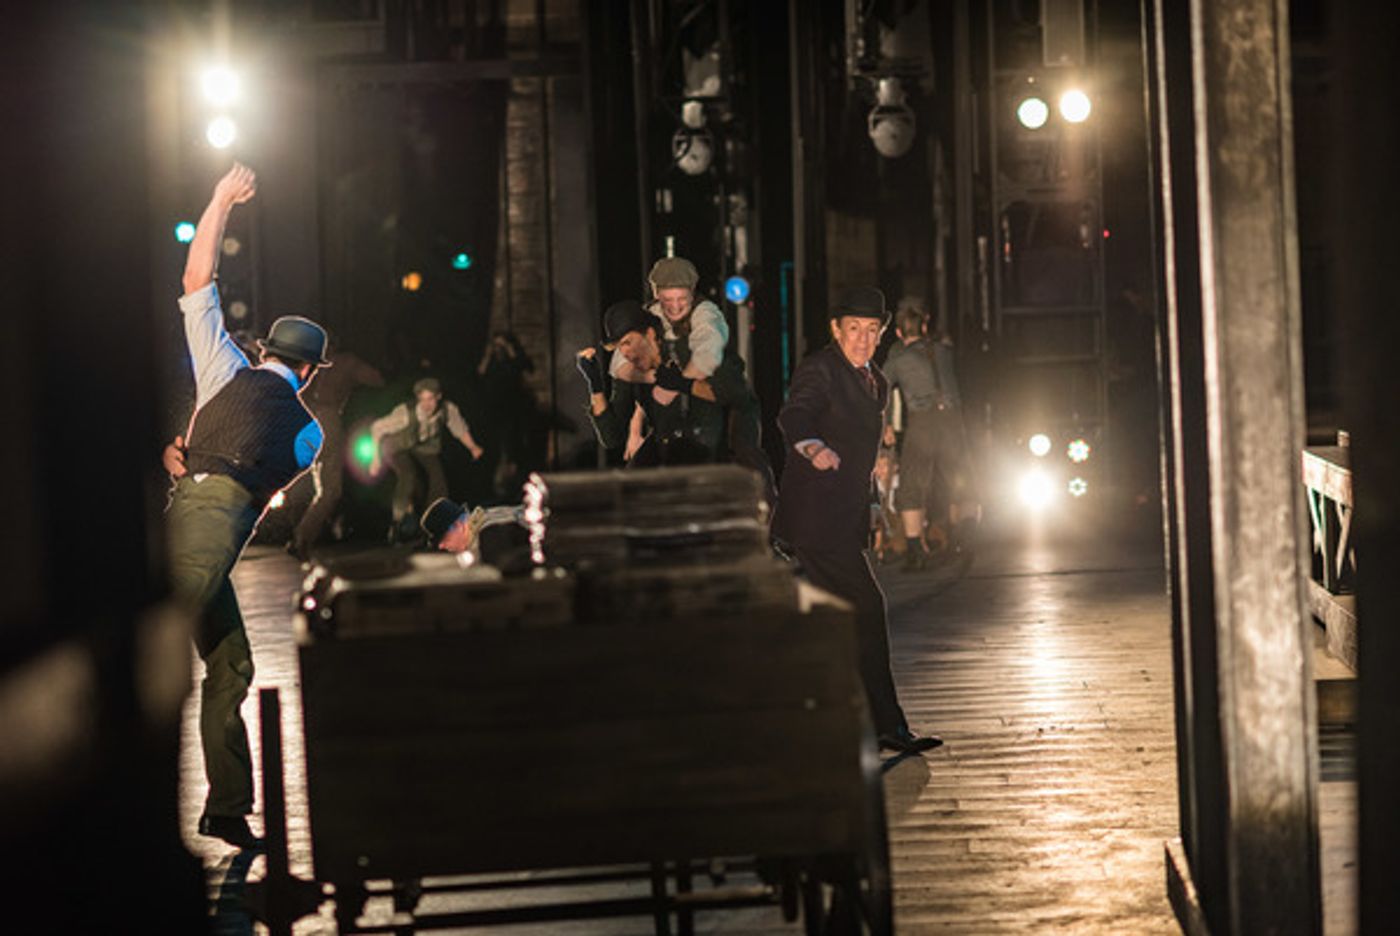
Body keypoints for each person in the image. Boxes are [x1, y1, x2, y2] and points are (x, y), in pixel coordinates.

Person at [166, 163, 330, 849]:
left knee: (231, 663)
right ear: (310, 371)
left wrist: (219, 200)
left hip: (189, 508)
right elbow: (265, 491)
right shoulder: (310, 434)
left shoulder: (223, 368)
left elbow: (196, 277)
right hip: (213, 522)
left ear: (266, 350)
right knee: (153, 646)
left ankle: (227, 809)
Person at [771, 285, 941, 756]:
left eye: (871, 330)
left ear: (882, 333)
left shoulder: (877, 383)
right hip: (815, 522)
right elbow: (794, 414)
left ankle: (849, 725)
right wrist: (813, 447)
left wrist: (872, 503)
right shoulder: (820, 370)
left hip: (841, 521)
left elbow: (865, 455)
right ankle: (884, 724)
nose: (862, 340)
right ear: (836, 329)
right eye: (853, 329)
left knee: (837, 621)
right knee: (865, 608)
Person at [611, 257, 774, 499]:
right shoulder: (649, 318)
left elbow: (707, 357)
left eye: (681, 299)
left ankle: (766, 507)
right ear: (656, 294)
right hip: (680, 411)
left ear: (692, 292)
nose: (675, 307)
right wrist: (635, 430)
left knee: (744, 455)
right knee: (639, 471)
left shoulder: (706, 314)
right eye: (667, 300)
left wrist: (673, 386)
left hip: (724, 396)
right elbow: (622, 367)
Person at [576, 300, 728, 465]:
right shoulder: (631, 373)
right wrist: (595, 385)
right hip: (664, 452)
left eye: (628, 342)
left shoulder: (683, 352)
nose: (624, 352)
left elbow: (722, 398)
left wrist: (681, 382)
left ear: (649, 334)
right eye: (619, 347)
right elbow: (611, 438)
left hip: (705, 454)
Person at [881, 301, 974, 570]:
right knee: (960, 478)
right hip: (953, 419)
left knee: (913, 483)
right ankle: (962, 540)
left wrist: (887, 425)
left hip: (922, 422)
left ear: (898, 332)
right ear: (924, 325)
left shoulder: (897, 359)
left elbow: (882, 393)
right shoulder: (945, 351)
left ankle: (915, 551)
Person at [289, 348, 384, 557]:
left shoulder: (313, 361)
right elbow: (376, 379)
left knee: (297, 477)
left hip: (306, 419)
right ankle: (302, 538)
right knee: (330, 490)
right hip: (327, 420)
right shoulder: (346, 361)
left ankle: (297, 533)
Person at [368, 377, 485, 542]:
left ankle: (432, 524)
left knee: (439, 481)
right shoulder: (405, 414)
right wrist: (375, 459)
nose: (426, 405)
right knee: (408, 476)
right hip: (397, 447)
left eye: (430, 399)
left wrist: (473, 447)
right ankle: (397, 522)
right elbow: (376, 428)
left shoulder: (447, 410)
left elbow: (459, 429)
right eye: (422, 400)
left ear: (438, 397)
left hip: (424, 448)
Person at [419, 496, 531, 571]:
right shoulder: (487, 514)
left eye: (444, 538)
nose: (441, 546)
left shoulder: (489, 535)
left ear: (458, 526)